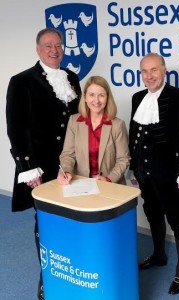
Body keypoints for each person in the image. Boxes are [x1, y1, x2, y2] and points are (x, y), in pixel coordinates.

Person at [6, 28, 81, 300]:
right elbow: (16, 128)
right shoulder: (21, 81)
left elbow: (76, 120)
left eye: (58, 45)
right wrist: (28, 168)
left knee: (72, 213)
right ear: (38, 49)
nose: (54, 49)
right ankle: (46, 272)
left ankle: (71, 265)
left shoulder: (71, 77)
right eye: (48, 45)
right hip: (41, 165)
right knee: (46, 219)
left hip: (71, 163)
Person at [129, 53, 179, 295]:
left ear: (164, 70)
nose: (149, 76)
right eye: (144, 72)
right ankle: (159, 255)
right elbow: (133, 135)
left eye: (154, 70)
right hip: (146, 174)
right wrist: (134, 168)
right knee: (153, 213)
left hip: (173, 176)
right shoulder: (137, 97)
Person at [57, 75, 130, 185]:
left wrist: (109, 179)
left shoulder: (118, 125)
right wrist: (66, 171)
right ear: (85, 97)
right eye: (91, 95)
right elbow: (68, 155)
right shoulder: (73, 121)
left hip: (111, 185)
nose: (96, 100)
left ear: (107, 98)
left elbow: (123, 159)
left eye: (101, 95)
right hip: (80, 184)